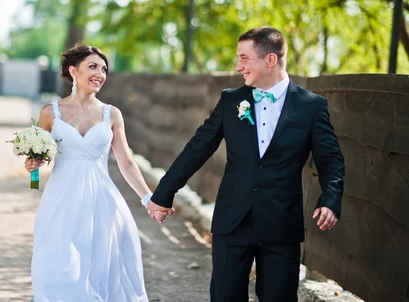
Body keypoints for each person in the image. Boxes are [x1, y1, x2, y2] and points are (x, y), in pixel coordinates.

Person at [148, 26, 345, 302]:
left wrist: (331, 198)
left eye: (244, 58)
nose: (239, 66)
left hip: (281, 224)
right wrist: (164, 193)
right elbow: (198, 148)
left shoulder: (311, 106)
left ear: (270, 60)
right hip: (232, 220)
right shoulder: (232, 100)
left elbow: (331, 159)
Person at [24, 45, 156, 302]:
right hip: (61, 201)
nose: (100, 74)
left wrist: (148, 198)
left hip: (101, 200)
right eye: (93, 67)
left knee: (101, 267)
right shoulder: (50, 113)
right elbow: (38, 157)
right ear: (74, 71)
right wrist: (33, 168)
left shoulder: (112, 114)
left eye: (104, 69)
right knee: (58, 265)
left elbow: (126, 162)